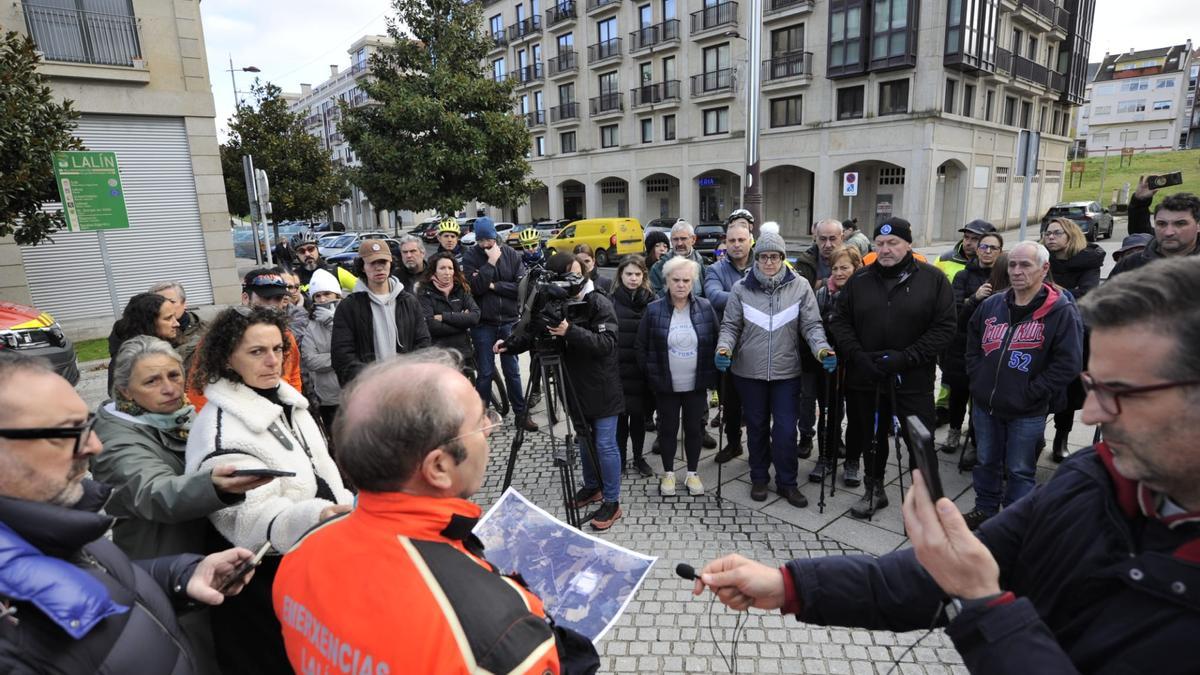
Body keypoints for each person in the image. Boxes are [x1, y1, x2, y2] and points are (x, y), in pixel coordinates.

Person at [690, 257, 1200, 675]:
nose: (1092, 415)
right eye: (1093, 388)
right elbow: (934, 572)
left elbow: (967, 580)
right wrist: (789, 585)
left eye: (1121, 392)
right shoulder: (1096, 477)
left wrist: (984, 604)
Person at [272, 350, 599, 674]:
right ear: (439, 467)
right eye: (479, 421)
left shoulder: (301, 552)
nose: (489, 429)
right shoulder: (501, 635)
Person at [0, 357, 258, 674]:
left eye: (87, 425)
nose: (94, 446)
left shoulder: (55, 522)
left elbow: (96, 579)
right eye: (67, 431)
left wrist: (180, 575)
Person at [186, 306, 354, 674]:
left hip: (311, 564)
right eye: (257, 351)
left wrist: (345, 507)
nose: (272, 361)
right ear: (227, 358)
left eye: (278, 349)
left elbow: (322, 471)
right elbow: (246, 522)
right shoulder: (220, 428)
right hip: (262, 582)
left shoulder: (288, 401)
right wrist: (318, 515)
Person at [92, 336, 273, 675]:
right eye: (152, 381)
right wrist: (214, 485)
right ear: (126, 391)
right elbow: (153, 491)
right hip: (164, 569)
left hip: (206, 561)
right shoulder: (115, 439)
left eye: (174, 375)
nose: (169, 388)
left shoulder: (182, 416)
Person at [829, 217, 955, 518]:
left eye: (893, 243)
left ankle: (926, 499)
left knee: (920, 440)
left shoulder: (933, 279)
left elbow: (945, 327)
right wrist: (858, 355)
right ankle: (874, 489)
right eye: (880, 243)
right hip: (868, 377)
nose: (885, 249)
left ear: (908, 244)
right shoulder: (859, 280)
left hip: (911, 378)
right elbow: (840, 322)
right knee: (872, 438)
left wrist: (907, 357)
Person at [496, 253, 624, 530]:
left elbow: (607, 344)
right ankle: (592, 487)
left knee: (604, 444)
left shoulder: (598, 301)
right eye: (566, 275)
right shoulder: (554, 301)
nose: (572, 280)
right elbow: (536, 332)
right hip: (573, 386)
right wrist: (510, 345)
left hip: (602, 387)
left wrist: (570, 331)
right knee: (584, 439)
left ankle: (612, 502)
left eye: (577, 273)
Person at [962, 242, 1083, 529]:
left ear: (1044, 268)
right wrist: (978, 378)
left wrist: (1032, 392)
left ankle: (1014, 523)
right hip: (985, 404)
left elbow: (1068, 363)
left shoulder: (1061, 311)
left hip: (1027, 410)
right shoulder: (993, 304)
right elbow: (972, 341)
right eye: (1013, 265)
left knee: (1019, 469)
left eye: (1025, 265)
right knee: (986, 461)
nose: (1016, 271)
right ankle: (985, 509)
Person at [716, 231, 835, 508]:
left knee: (785, 430)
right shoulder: (741, 289)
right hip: (749, 372)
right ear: (756, 258)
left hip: (786, 373)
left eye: (774, 256)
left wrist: (822, 349)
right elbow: (730, 326)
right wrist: (723, 348)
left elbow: (812, 325)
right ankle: (759, 477)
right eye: (763, 257)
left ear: (783, 258)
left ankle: (787, 482)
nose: (769, 262)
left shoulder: (800, 286)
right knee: (756, 427)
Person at [638, 256, 719, 497]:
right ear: (667, 281)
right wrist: (652, 375)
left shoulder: (705, 307)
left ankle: (692, 473)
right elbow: (641, 346)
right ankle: (669, 473)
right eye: (676, 280)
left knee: (694, 429)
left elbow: (716, 340)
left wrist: (714, 376)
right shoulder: (654, 310)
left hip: (696, 384)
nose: (681, 285)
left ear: (693, 282)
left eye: (686, 280)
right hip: (666, 386)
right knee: (667, 430)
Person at [185, 268, 305, 410]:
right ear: (245, 298)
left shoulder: (286, 335)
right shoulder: (222, 336)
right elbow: (199, 387)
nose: (272, 304)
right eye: (266, 298)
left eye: (278, 298)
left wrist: (294, 409)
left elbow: (293, 375)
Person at [1043, 217, 1105, 461]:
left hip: (1074, 331)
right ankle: (1034, 437)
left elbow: (1087, 294)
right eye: (1048, 232)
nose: (1050, 237)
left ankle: (1061, 438)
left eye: (1057, 233)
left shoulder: (1088, 262)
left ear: (1071, 236)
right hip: (1042, 329)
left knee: (1067, 389)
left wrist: (1053, 292)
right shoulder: (1042, 259)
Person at [464, 217, 535, 431]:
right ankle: (481, 419)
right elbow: (475, 288)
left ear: (495, 236)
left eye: (489, 239)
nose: (486, 244)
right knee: (485, 373)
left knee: (512, 370)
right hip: (483, 324)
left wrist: (493, 285)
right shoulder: (470, 257)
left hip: (509, 322)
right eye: (481, 240)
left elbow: (520, 288)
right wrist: (491, 263)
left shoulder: (512, 254)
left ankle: (521, 414)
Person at [331, 239, 431, 385]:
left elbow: (423, 344)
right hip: (368, 388)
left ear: (390, 264)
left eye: (383, 262)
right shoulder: (348, 307)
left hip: (406, 386)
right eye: (372, 263)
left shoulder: (409, 302)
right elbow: (342, 355)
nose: (379, 268)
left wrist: (410, 375)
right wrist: (369, 380)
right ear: (362, 267)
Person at [941, 232, 1005, 455]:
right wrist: (974, 298)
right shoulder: (963, 276)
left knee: (981, 396)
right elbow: (955, 312)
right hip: (962, 344)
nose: (987, 251)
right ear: (977, 250)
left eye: (993, 248)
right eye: (984, 247)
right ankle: (954, 430)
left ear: (1000, 252)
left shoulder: (1003, 276)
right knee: (958, 392)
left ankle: (977, 437)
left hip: (990, 346)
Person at [807, 245, 863, 483]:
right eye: (835, 268)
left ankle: (852, 460)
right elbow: (814, 324)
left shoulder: (865, 292)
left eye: (844, 268)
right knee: (829, 412)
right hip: (829, 362)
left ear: (856, 268)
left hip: (856, 363)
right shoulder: (822, 294)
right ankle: (826, 457)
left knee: (857, 415)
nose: (839, 273)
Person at [704, 213, 754, 463]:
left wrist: (734, 297)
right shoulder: (715, 269)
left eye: (741, 240)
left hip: (757, 344)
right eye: (731, 240)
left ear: (750, 240)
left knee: (757, 403)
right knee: (730, 402)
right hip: (728, 344)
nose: (736, 244)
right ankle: (734, 444)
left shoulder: (763, 263)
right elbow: (714, 296)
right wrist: (751, 298)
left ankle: (759, 447)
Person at [795, 219, 845, 457]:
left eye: (832, 238)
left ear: (842, 237)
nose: (827, 244)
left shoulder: (849, 259)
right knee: (806, 396)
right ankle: (806, 435)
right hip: (806, 342)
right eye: (822, 238)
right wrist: (826, 283)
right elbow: (799, 295)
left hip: (839, 344)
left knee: (835, 397)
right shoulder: (804, 262)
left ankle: (834, 436)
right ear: (815, 238)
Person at [611, 254, 655, 478]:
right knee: (620, 420)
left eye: (638, 274)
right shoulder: (611, 300)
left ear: (643, 276)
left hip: (641, 371)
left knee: (639, 418)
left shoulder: (652, 300)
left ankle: (638, 457)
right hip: (618, 369)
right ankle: (620, 458)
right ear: (621, 275)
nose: (633, 278)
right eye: (629, 274)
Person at [295, 268, 344, 435]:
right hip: (328, 398)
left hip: (354, 392)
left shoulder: (350, 316)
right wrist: (341, 357)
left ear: (337, 294)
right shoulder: (311, 325)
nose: (322, 299)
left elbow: (357, 348)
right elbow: (310, 360)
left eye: (327, 294)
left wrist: (332, 323)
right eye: (317, 296)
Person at [418, 250, 481, 372]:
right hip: (439, 355)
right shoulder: (425, 292)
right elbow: (430, 325)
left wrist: (444, 317)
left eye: (450, 268)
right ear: (434, 271)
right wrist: (462, 323)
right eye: (442, 268)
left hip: (463, 353)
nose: (447, 272)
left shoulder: (461, 289)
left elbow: (475, 316)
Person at [1111, 192, 1200, 276]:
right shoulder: (1130, 265)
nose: (1168, 232)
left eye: (1180, 224)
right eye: (1161, 224)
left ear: (1198, 226)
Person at [107, 292, 180, 392]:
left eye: (175, 317)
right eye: (168, 318)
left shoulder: (171, 343)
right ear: (149, 323)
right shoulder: (126, 360)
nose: (176, 323)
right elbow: (118, 396)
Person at [149, 280, 205, 366]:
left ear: (184, 303)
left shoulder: (206, 330)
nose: (165, 307)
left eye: (171, 302)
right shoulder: (147, 336)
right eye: (158, 303)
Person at [650, 220, 707, 298]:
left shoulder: (701, 262)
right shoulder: (659, 267)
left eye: (683, 239)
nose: (679, 243)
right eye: (675, 239)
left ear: (693, 239)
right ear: (671, 241)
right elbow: (654, 297)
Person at [292, 230, 356, 294]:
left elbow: (361, 289)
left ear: (317, 249)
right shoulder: (292, 277)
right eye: (301, 251)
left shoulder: (336, 272)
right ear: (297, 255)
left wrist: (348, 300)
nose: (307, 254)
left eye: (310, 249)